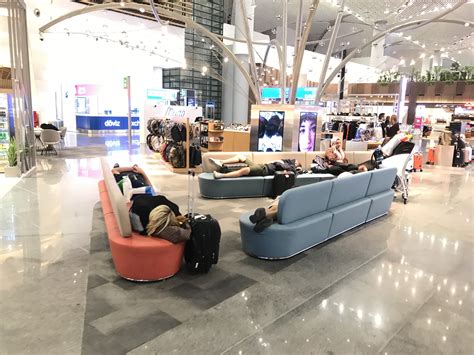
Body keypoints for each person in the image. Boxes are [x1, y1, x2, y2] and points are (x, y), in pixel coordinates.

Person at [248, 167, 366, 233]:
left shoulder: (340, 181)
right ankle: (268, 215)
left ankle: (267, 212)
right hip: (315, 199)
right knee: (287, 199)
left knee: (285, 198)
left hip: (311, 198)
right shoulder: (351, 190)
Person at [209, 154, 301, 179]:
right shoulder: (285, 161)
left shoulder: (290, 167)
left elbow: (282, 167)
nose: (294, 160)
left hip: (264, 170)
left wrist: (296, 168)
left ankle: (221, 175)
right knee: (241, 157)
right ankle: (221, 162)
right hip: (262, 165)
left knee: (245, 170)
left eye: (296, 162)